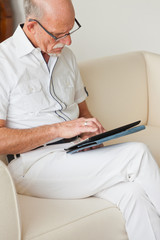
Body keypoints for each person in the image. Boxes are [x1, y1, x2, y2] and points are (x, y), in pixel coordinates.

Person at [0, 0, 160, 239]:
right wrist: (58, 129)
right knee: (136, 154)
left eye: (70, 30)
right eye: (59, 34)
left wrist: (90, 132)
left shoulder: (67, 57)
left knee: (133, 194)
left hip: (77, 153)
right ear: (32, 27)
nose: (68, 41)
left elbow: (84, 113)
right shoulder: (4, 62)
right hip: (32, 165)